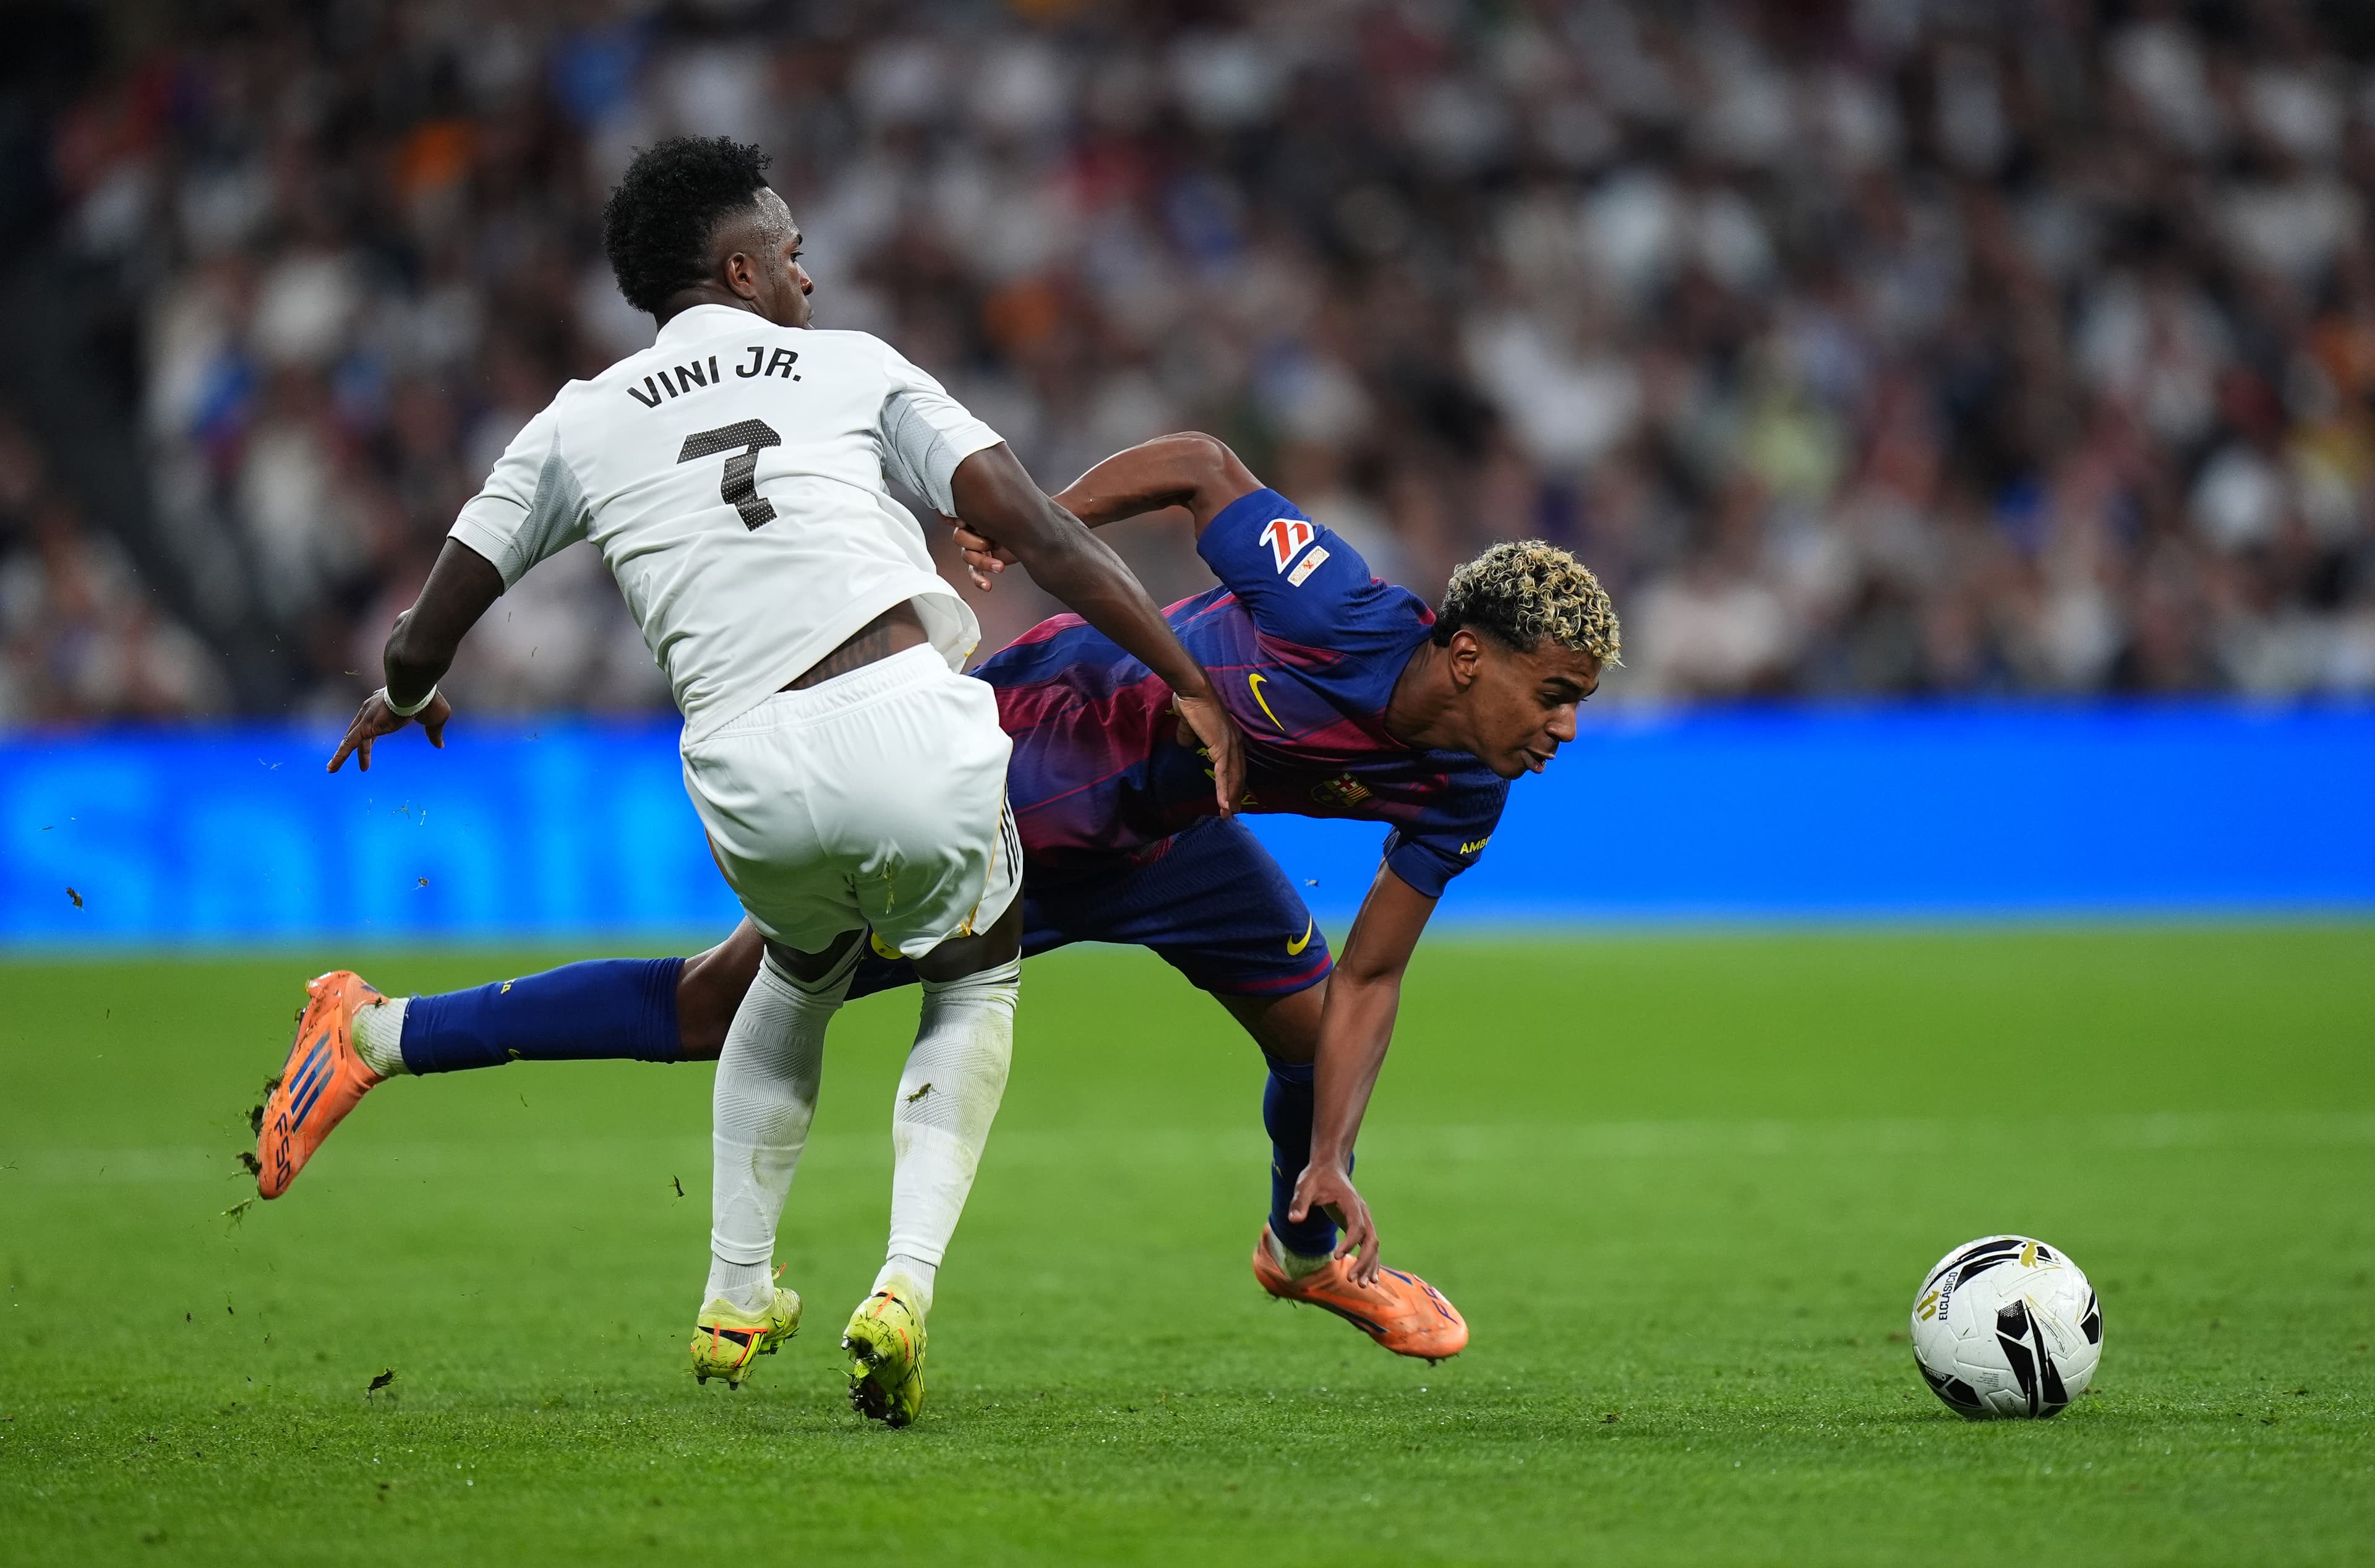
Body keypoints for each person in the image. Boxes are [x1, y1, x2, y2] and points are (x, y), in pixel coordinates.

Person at [254, 137, 1242, 1429]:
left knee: (798, 962)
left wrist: (412, 684)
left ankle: (735, 1287)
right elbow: (1043, 532)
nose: (808, 272)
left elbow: (425, 627)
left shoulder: (579, 417)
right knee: (976, 969)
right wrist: (1188, 678)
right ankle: (902, 1282)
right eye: (788, 248)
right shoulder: (854, 366)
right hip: (901, 717)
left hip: (742, 773)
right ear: (739, 265)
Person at [261, 431, 1618, 1370]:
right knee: (714, 1008)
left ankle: (1309, 1239)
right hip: (1016, 774)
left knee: (1313, 1031)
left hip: (1166, 837)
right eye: (1550, 690)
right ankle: (375, 1030)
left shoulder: (1468, 790)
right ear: (1461, 648)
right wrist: (1033, 520)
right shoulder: (1336, 606)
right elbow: (1205, 468)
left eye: (1576, 704)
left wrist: (1333, 1150)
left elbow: (1372, 981)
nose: (1559, 726)